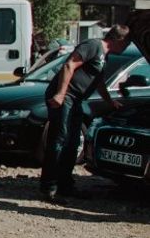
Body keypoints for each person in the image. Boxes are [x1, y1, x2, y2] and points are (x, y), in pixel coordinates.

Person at [39, 25, 131, 203]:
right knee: (59, 139)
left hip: (76, 100)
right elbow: (69, 66)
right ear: (118, 39)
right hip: (65, 96)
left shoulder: (105, 55)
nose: (126, 47)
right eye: (126, 43)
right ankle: (49, 187)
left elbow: (99, 81)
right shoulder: (93, 46)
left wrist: (110, 102)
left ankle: (65, 185)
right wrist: (60, 94)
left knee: (73, 144)